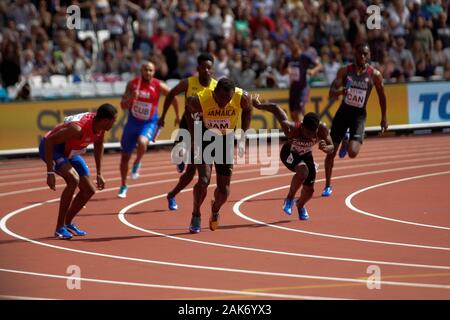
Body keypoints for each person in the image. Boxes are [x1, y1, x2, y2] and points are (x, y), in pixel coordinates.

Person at [39, 104, 118, 239]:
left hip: (71, 152)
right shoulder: (77, 129)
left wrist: (99, 173)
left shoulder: (100, 126)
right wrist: (50, 173)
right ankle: (59, 228)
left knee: (89, 189)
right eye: (113, 120)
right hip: (53, 149)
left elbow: (99, 144)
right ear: (105, 120)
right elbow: (49, 141)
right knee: (73, 180)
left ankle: (67, 222)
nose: (114, 123)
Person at [185, 77, 252, 233]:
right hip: (205, 137)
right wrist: (193, 136)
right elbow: (188, 110)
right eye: (221, 99)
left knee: (224, 189)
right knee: (203, 180)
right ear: (214, 93)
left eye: (228, 99)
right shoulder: (201, 99)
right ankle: (196, 213)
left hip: (225, 139)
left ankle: (215, 209)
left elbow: (248, 110)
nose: (224, 104)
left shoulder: (242, 97)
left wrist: (243, 135)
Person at [322, 43, 388, 197]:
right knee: (331, 152)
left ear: (369, 55)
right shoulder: (345, 71)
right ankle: (327, 185)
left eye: (366, 54)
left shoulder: (375, 75)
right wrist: (340, 92)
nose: (363, 57)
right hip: (343, 114)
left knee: (352, 153)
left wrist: (384, 118)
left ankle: (348, 140)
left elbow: (382, 96)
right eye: (360, 54)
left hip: (358, 116)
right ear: (355, 54)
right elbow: (331, 93)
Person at [252, 98, 334, 219]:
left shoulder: (322, 129)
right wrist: (259, 106)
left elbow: (332, 147)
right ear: (302, 126)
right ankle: (289, 198)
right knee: (303, 171)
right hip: (289, 154)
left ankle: (300, 205)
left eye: (312, 134)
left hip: (306, 156)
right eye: (306, 133)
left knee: (310, 191)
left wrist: (327, 149)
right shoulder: (291, 128)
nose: (309, 137)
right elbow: (275, 108)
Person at [158, 52, 217, 211]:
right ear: (197, 68)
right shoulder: (188, 83)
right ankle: (180, 156)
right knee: (182, 150)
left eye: (208, 68)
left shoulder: (216, 87)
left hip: (204, 129)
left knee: (191, 174)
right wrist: (163, 115)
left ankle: (171, 195)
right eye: (203, 67)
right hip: (187, 123)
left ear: (212, 70)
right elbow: (171, 93)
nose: (205, 70)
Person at [118, 61, 179, 198]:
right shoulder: (132, 84)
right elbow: (122, 105)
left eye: (150, 70)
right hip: (132, 123)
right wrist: (131, 99)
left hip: (149, 123)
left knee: (142, 142)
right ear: (141, 71)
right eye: (146, 70)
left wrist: (177, 115)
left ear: (154, 72)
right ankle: (123, 185)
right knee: (124, 157)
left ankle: (138, 162)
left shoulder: (158, 85)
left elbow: (172, 96)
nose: (148, 72)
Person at [284, 40, 323, 122]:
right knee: (292, 113)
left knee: (298, 112)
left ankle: (304, 132)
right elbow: (282, 70)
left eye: (292, 44)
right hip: (293, 88)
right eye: (290, 44)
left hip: (302, 87)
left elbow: (319, 65)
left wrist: (313, 71)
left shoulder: (304, 57)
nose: (291, 46)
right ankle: (299, 130)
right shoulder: (288, 57)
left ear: (298, 45)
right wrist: (286, 70)